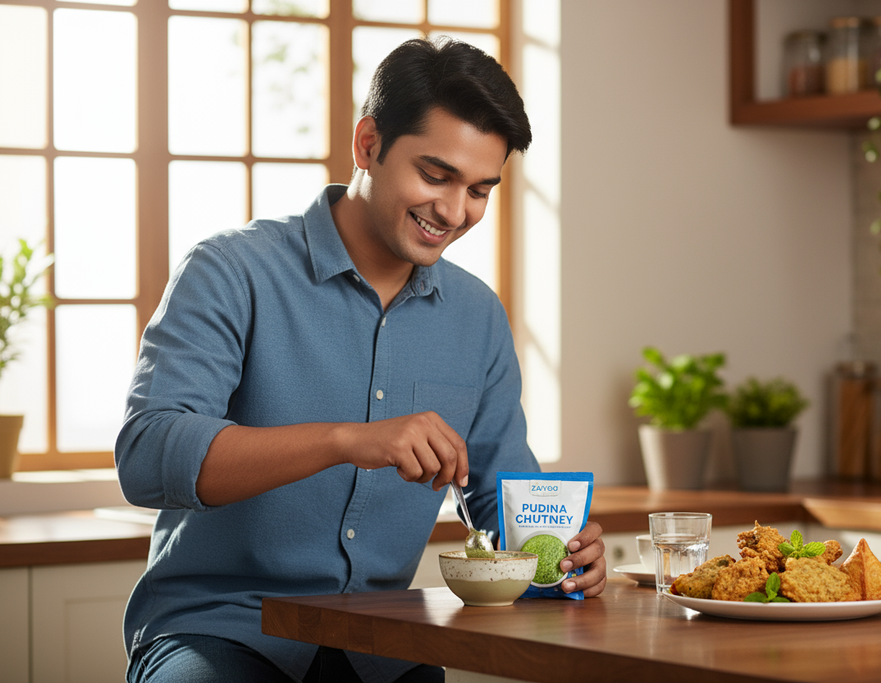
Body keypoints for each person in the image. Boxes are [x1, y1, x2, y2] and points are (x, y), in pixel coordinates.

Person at [115, 36, 606, 683]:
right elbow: (148, 457)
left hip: (386, 645)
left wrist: (561, 549)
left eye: (480, 189)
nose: (455, 212)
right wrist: (348, 439)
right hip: (222, 628)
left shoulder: (477, 314)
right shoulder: (231, 270)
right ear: (368, 142)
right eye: (435, 175)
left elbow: (499, 495)